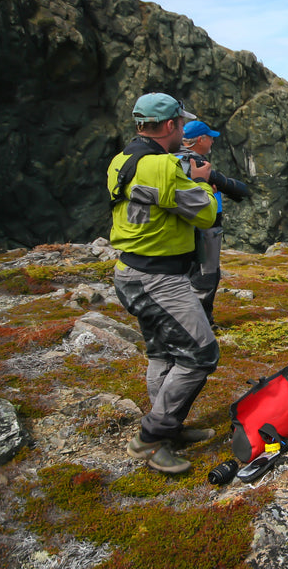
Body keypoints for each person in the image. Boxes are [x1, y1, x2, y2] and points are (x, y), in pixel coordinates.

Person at [107, 93, 219, 474]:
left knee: (162, 353)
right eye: (182, 124)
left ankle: (168, 429)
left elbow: (158, 204)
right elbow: (204, 215)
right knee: (202, 354)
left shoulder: (122, 160)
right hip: (158, 278)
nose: (185, 131)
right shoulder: (162, 167)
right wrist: (202, 182)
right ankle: (150, 439)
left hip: (130, 272)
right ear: (170, 125)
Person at [177, 120, 250, 330]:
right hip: (204, 228)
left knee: (188, 274)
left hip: (183, 228)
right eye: (210, 137)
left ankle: (190, 323)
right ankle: (201, 326)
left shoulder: (173, 160)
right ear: (200, 139)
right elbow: (236, 190)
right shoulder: (195, 164)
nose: (212, 141)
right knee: (206, 275)